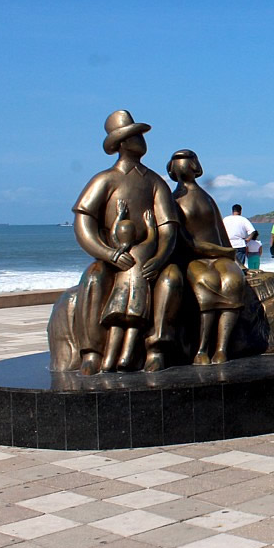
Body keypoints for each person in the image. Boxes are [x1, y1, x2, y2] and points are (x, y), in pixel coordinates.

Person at [71, 110, 185, 374]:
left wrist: (160, 257)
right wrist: (108, 254)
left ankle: (156, 349)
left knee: (171, 279)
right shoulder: (104, 180)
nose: (142, 141)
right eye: (135, 136)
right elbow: (83, 224)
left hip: (150, 257)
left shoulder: (155, 182)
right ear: (122, 143)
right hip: (114, 254)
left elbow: (168, 228)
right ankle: (92, 353)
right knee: (93, 279)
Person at [167, 150, 247, 365]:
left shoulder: (206, 198)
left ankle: (221, 348)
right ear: (172, 169)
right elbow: (185, 241)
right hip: (194, 258)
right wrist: (223, 252)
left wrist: (236, 260)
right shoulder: (172, 202)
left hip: (220, 257)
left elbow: (220, 231)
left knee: (233, 281)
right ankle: (202, 348)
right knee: (206, 283)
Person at [99, 201, 157, 372]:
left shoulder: (118, 252)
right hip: (136, 298)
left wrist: (120, 216)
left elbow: (113, 235)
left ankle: (108, 360)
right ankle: (126, 358)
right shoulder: (143, 249)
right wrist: (150, 224)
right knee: (133, 326)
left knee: (116, 325)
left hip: (118, 298)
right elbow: (152, 238)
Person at [223, 204, 256, 268]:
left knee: (228, 266)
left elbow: (220, 230)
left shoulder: (225, 219)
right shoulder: (243, 219)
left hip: (227, 244)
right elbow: (252, 231)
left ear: (232, 211)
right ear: (240, 211)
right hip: (239, 244)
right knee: (239, 267)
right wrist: (248, 239)